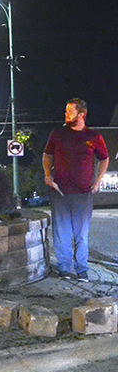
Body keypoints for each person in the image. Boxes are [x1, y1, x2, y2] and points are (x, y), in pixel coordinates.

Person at [42, 98, 109, 281]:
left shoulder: (94, 137)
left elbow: (104, 158)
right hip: (60, 192)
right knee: (61, 233)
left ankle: (82, 270)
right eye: (66, 111)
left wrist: (97, 181)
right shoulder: (57, 134)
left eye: (69, 111)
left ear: (81, 114)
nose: (66, 114)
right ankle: (65, 269)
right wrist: (48, 175)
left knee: (81, 234)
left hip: (83, 193)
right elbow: (47, 155)